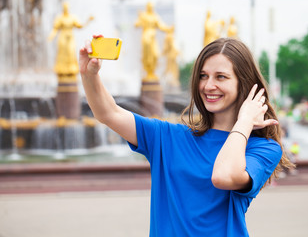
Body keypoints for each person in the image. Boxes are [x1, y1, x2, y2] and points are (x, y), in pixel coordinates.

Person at [79, 37, 294, 236]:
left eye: (221, 77)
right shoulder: (168, 137)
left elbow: (223, 176)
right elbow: (108, 113)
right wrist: (89, 75)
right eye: (203, 76)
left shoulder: (263, 148)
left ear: (244, 84)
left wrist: (244, 122)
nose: (208, 86)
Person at [48, 2, 93, 78]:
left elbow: (80, 26)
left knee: (71, 52)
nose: (66, 9)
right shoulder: (60, 18)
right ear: (63, 9)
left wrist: (88, 21)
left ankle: (72, 69)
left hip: (70, 38)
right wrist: (51, 36)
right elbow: (55, 29)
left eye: (67, 8)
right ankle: (61, 70)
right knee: (62, 53)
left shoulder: (72, 17)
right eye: (64, 8)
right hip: (62, 37)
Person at [134, 2, 172, 82]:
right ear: (147, 7)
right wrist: (139, 17)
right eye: (150, 7)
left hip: (153, 39)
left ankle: (152, 72)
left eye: (152, 7)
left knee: (155, 55)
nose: (151, 8)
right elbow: (136, 25)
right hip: (146, 39)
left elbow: (161, 26)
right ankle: (148, 72)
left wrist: (169, 29)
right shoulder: (143, 16)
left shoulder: (155, 16)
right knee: (147, 56)